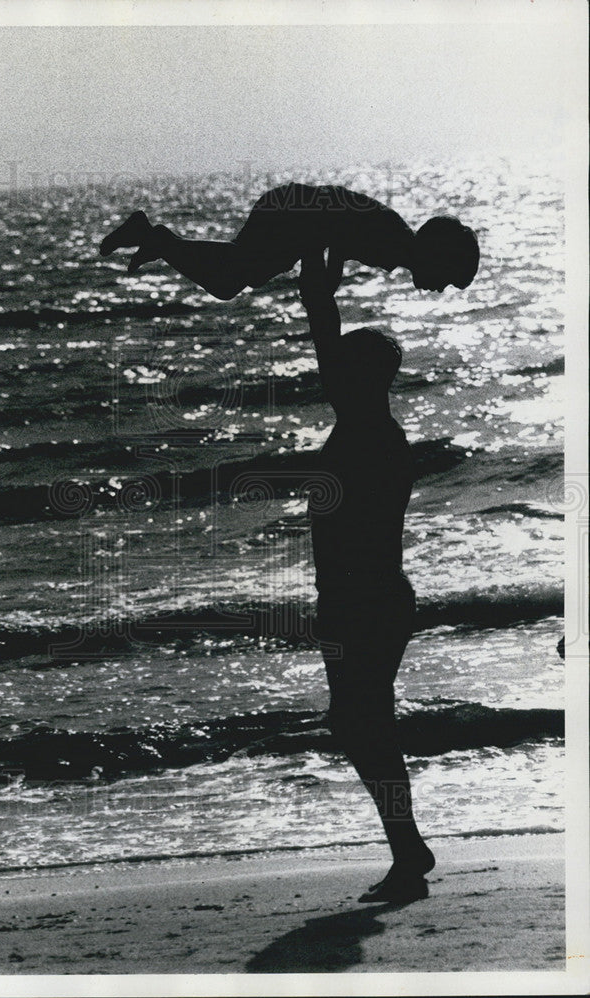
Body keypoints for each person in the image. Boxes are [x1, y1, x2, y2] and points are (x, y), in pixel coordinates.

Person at [298, 247, 434, 903]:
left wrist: (317, 294)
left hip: (366, 603)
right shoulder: (373, 430)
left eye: (344, 369)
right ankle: (406, 847)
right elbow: (329, 356)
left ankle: (407, 852)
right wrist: (318, 292)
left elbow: (326, 352)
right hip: (364, 600)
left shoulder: (366, 432)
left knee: (362, 724)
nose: (332, 376)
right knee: (357, 724)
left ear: (364, 378)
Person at [99, 182, 479, 299]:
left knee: (231, 278)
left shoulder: (397, 245)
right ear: (434, 255)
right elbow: (339, 231)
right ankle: (159, 239)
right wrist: (326, 279)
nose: (440, 288)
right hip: (291, 211)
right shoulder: (394, 239)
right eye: (445, 278)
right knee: (234, 275)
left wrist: (318, 269)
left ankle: (157, 239)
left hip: (296, 217)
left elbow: (338, 234)